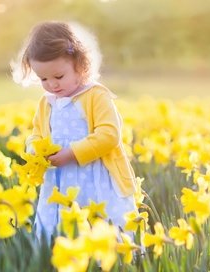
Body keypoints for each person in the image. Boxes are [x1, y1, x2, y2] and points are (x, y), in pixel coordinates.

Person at [13, 21, 137, 241]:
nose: (52, 85)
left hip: (96, 178)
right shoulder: (47, 103)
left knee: (97, 228)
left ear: (80, 66)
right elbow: (37, 134)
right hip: (58, 181)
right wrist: (34, 150)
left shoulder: (96, 96)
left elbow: (109, 136)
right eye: (43, 79)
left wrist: (71, 154)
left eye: (58, 77)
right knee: (60, 231)